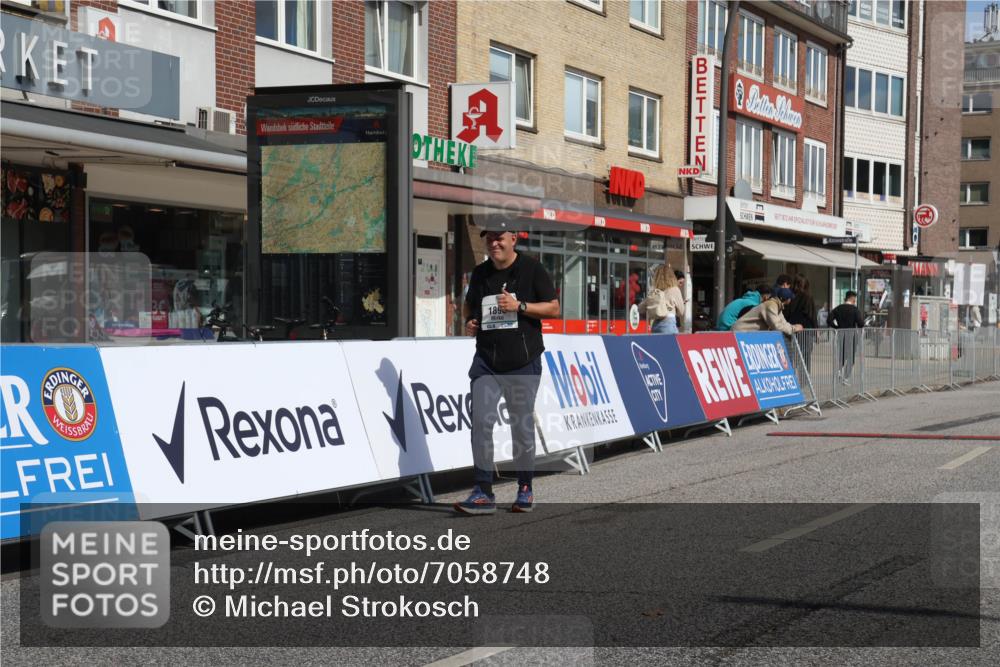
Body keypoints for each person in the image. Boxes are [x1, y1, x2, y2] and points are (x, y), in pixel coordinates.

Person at [456, 226, 560, 515]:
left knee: (520, 425)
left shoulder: (532, 269)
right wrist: (470, 322)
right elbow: (468, 308)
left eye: (499, 238)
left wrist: (519, 305)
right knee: (481, 422)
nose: (493, 244)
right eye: (489, 239)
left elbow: (553, 308)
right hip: (486, 361)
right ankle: (483, 491)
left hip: (522, 361)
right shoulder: (480, 273)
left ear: (513, 238)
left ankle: (525, 487)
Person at [732, 287, 803, 336]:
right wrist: (793, 329)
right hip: (740, 332)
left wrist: (793, 327)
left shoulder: (778, 306)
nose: (790, 300)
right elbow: (776, 326)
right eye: (789, 298)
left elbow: (783, 322)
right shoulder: (771, 305)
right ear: (785, 299)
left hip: (746, 333)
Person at [829, 290, 864, 384]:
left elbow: (829, 320)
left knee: (842, 355)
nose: (855, 301)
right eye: (854, 299)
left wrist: (837, 327)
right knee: (851, 357)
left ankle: (839, 371)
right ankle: (846, 377)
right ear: (852, 299)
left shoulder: (838, 309)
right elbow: (861, 323)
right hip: (852, 336)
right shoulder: (855, 309)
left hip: (841, 335)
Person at [784, 275, 817, 371]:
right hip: (805, 331)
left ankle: (791, 375)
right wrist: (816, 330)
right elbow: (812, 315)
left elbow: (785, 314)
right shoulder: (808, 297)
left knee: (790, 356)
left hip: (790, 329)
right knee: (805, 357)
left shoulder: (789, 296)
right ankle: (804, 378)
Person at [638, 265, 685, 334]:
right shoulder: (674, 289)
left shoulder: (654, 292)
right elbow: (681, 311)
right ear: (672, 277)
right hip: (669, 324)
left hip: (655, 325)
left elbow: (640, 308)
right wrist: (671, 308)